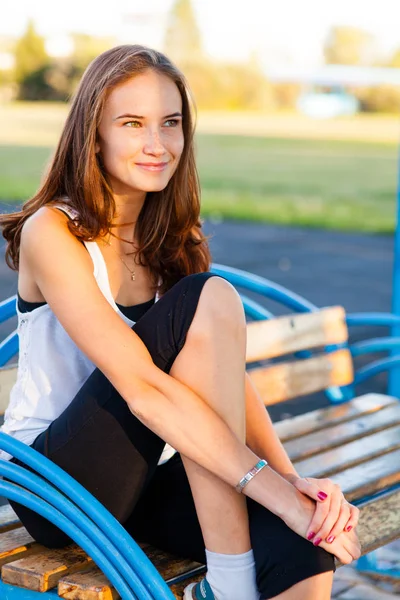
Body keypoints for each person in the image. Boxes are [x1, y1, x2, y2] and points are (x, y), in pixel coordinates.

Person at [0, 44, 361, 600]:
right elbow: (143, 390)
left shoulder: (170, 242)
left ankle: (238, 576)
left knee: (305, 541)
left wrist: (293, 485)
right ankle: (232, 587)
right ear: (92, 133)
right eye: (132, 123)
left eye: (170, 123)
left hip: (146, 473)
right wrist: (274, 492)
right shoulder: (53, 232)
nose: (157, 143)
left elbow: (224, 381)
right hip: (57, 485)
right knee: (207, 295)